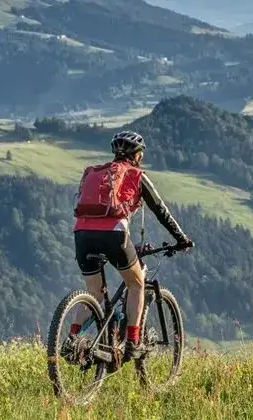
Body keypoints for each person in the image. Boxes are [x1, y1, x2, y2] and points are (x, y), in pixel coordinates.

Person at [70, 130, 191, 360]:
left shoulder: (94, 173)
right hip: (114, 235)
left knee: (94, 292)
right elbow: (160, 210)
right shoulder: (135, 175)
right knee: (136, 284)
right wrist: (181, 238)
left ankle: (72, 339)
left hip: (82, 234)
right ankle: (133, 342)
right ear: (137, 155)